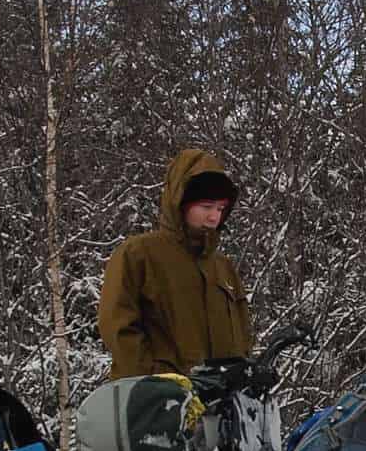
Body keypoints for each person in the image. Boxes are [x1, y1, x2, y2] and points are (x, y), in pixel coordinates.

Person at [97, 148, 254, 380]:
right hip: (155, 403)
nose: (214, 217)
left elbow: (242, 339)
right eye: (206, 206)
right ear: (180, 202)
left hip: (218, 406)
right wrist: (158, 380)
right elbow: (118, 328)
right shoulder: (139, 254)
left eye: (220, 208)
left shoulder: (223, 268)